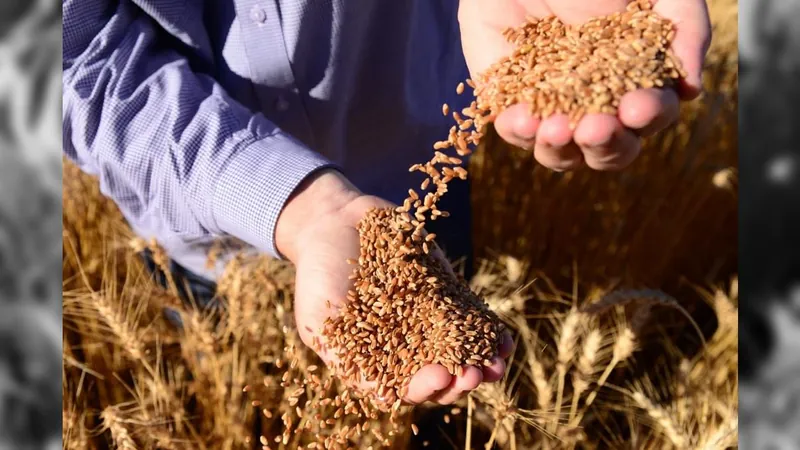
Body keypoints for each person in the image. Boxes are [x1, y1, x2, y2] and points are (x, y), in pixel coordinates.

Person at [62, 0, 711, 406]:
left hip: (419, 185)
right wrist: (297, 204)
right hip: (197, 230)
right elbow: (74, 60)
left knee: (444, 387)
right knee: (230, 388)